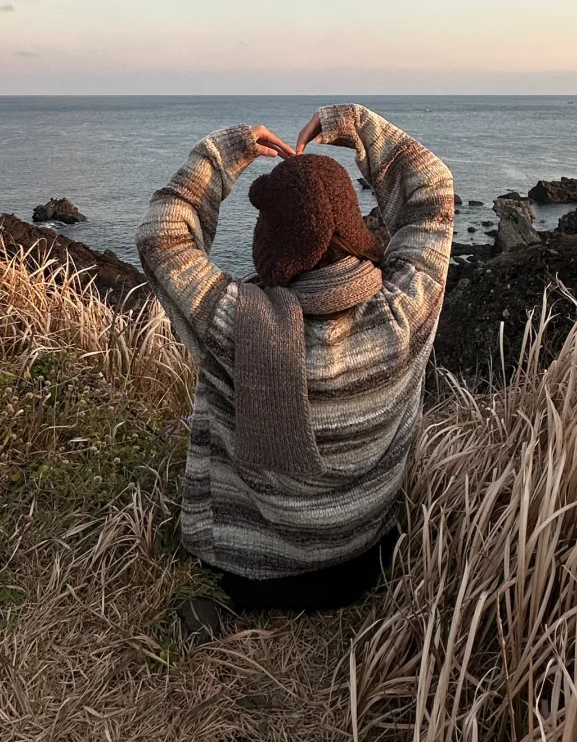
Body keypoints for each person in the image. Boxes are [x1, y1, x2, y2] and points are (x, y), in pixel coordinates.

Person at [135, 103, 454, 613]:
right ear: (354, 226)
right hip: (361, 565)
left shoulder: (233, 323)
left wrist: (223, 154)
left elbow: (162, 237)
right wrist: (353, 123)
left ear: (270, 242)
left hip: (243, 573)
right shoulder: (403, 312)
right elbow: (433, 192)